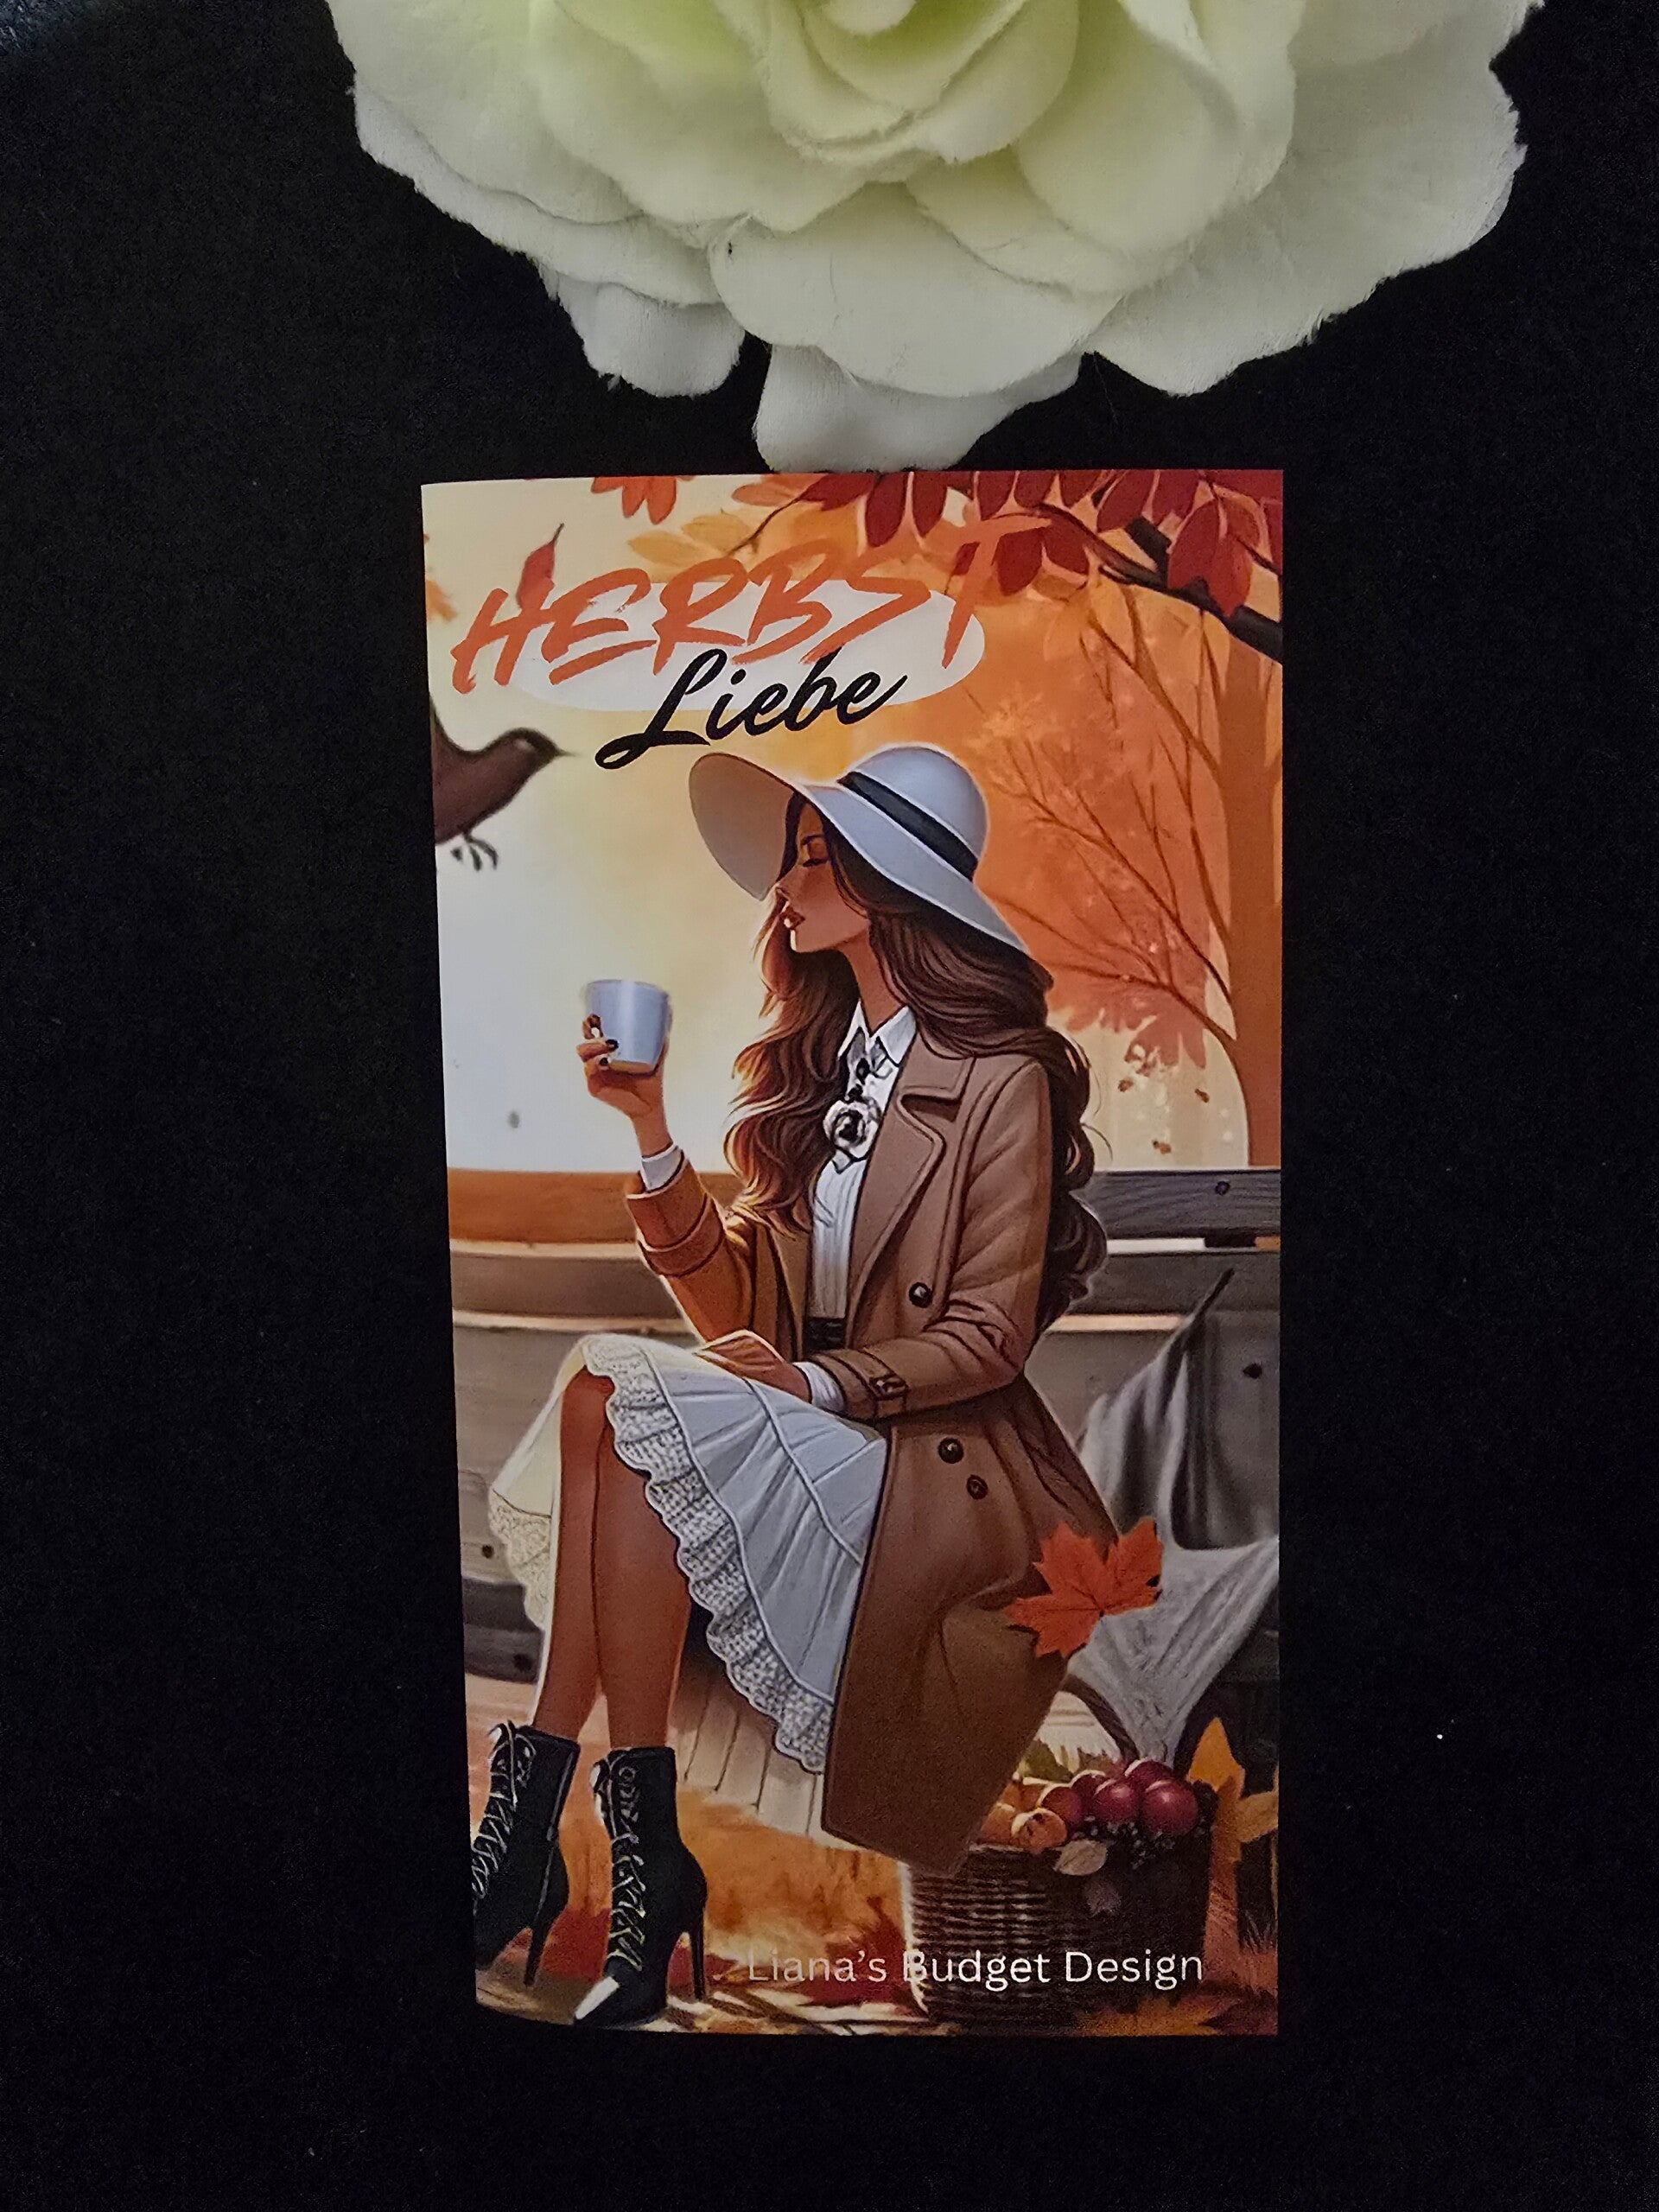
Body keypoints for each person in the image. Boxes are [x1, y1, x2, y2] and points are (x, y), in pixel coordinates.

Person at [470, 742, 1116, 2026]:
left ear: (889, 887)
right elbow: (735, 1317)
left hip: (933, 1473)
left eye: (815, 857)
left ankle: (550, 1838)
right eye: (794, 858)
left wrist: (815, 1385)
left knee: (611, 1395)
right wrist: (649, 1126)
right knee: (609, 1401)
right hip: (820, 1432)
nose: (785, 884)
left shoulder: (1003, 1080)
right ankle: (629, 1864)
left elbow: (988, 1337)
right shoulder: (827, 1078)